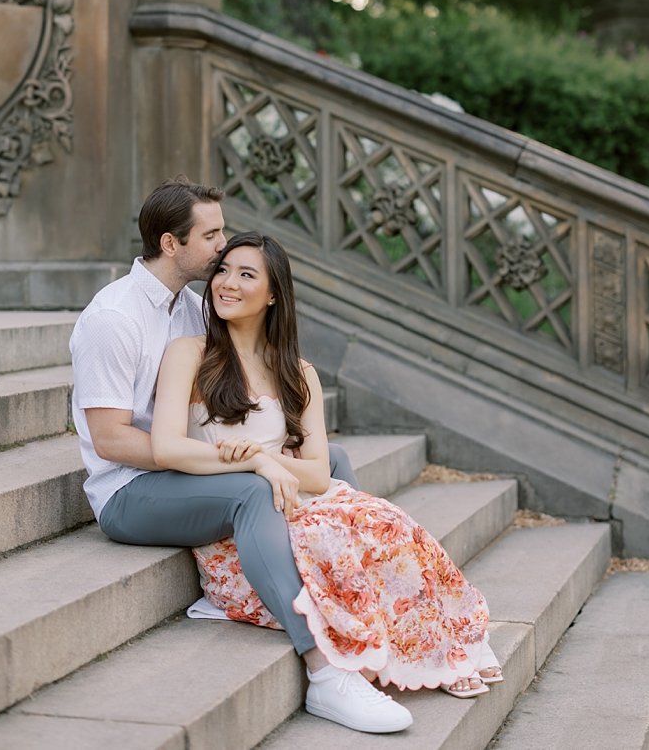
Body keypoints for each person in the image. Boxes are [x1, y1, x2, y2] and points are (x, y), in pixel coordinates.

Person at [70, 179, 409, 735]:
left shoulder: (189, 308)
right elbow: (110, 441)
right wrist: (240, 459)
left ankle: (374, 608)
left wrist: (266, 449)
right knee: (256, 488)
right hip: (130, 491)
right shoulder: (115, 318)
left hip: (188, 470)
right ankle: (323, 669)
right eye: (212, 235)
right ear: (171, 243)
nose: (222, 247)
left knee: (334, 465)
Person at [150, 231, 501, 724]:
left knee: (386, 521)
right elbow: (166, 447)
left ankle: (433, 642)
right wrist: (255, 462)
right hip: (241, 527)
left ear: (273, 294)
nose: (226, 283)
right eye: (223, 270)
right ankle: (345, 667)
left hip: (295, 499)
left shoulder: (297, 372)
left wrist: (262, 454)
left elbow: (317, 472)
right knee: (329, 533)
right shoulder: (190, 352)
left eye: (246, 274)